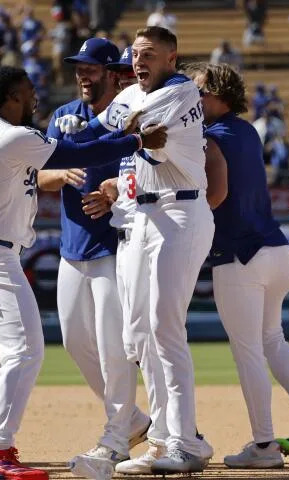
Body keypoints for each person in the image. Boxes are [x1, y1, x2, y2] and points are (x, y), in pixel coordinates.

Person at [0, 65, 166, 480]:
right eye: (29, 92)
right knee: (25, 351)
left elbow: (54, 164)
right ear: (11, 99)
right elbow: (76, 155)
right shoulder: (16, 135)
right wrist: (135, 140)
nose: (36, 97)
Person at [81, 26, 216, 473]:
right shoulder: (134, 93)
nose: (139, 61)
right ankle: (160, 438)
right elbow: (97, 132)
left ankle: (186, 441)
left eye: (150, 54)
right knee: (137, 333)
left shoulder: (180, 92)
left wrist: (106, 128)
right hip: (142, 213)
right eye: (136, 54)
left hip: (181, 212)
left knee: (164, 327)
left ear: (172, 59)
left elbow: (116, 131)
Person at [184, 63, 289, 469]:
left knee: (248, 353)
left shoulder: (210, 137)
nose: (194, 99)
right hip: (275, 251)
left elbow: (217, 193)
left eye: (200, 92)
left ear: (219, 95)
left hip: (240, 257)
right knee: (272, 341)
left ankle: (264, 446)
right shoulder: (245, 130)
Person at [38, 38, 152, 478]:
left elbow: (143, 170)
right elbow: (39, 173)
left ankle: (116, 436)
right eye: (78, 68)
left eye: (91, 68)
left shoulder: (128, 117)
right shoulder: (64, 116)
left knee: (113, 348)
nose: (83, 75)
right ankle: (135, 421)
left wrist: (112, 193)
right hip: (72, 247)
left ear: (112, 73)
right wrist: (60, 173)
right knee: (74, 342)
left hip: (113, 246)